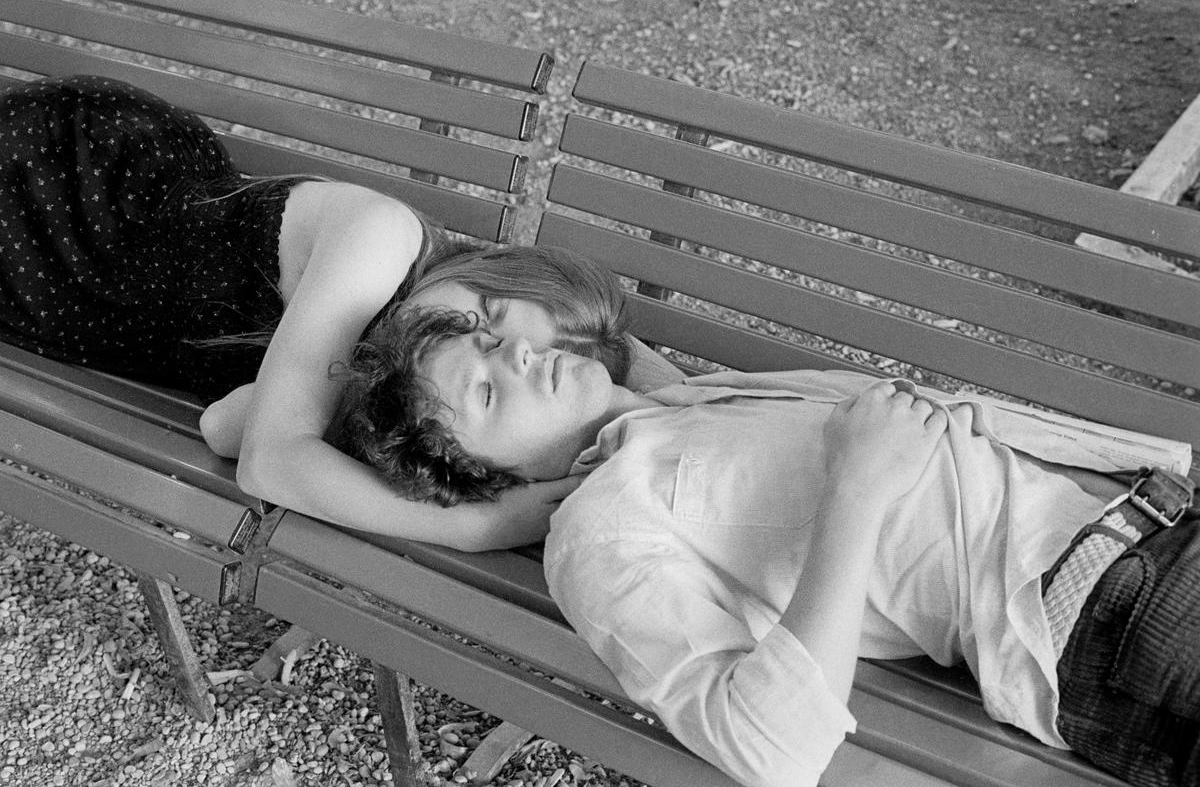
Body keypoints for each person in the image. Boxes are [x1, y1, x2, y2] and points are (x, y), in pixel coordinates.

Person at [340, 303, 1198, 787]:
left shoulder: (686, 404)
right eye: (488, 394)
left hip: (1154, 512)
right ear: (490, 475)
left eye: (496, 341)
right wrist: (859, 488)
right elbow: (767, 746)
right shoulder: (600, 532)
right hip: (1107, 613)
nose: (524, 356)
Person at [0, 74, 675, 552]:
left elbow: (230, 425)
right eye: (484, 311)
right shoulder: (381, 241)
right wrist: (474, 528)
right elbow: (266, 461)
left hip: (80, 293)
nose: (456, 327)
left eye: (496, 354)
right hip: (75, 190)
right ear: (488, 263)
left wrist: (666, 391)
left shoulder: (392, 378)